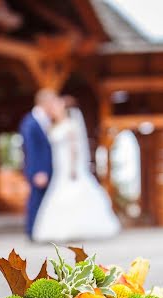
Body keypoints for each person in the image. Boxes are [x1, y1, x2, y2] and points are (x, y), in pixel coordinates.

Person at [32, 97, 121, 242]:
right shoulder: (53, 126)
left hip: (69, 166)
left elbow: (74, 149)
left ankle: (78, 228)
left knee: (71, 194)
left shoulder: (71, 125)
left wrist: (73, 168)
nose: (54, 109)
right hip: (58, 167)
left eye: (57, 106)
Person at [19, 89, 56, 239]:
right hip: (38, 171)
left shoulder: (46, 120)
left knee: (45, 200)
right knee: (36, 199)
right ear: (45, 102)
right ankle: (31, 231)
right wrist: (38, 171)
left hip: (47, 170)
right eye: (52, 101)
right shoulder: (31, 122)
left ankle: (41, 230)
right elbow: (31, 149)